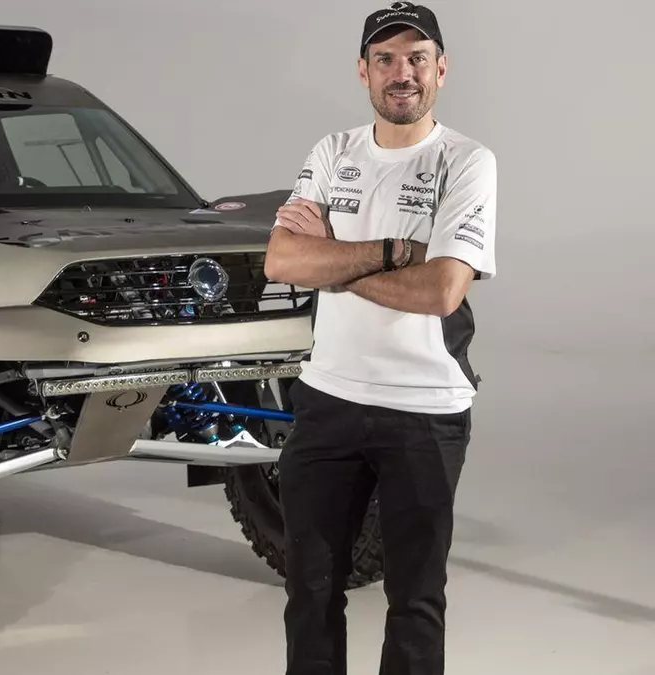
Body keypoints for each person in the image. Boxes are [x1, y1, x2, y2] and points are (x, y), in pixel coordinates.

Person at [263, 2, 497, 674]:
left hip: (425, 411)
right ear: (362, 70)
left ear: (441, 70)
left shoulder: (467, 161)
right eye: (386, 59)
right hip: (325, 401)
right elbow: (282, 260)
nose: (402, 73)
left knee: (415, 600)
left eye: (417, 58)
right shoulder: (332, 152)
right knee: (309, 592)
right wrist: (396, 251)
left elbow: (441, 290)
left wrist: (333, 259)